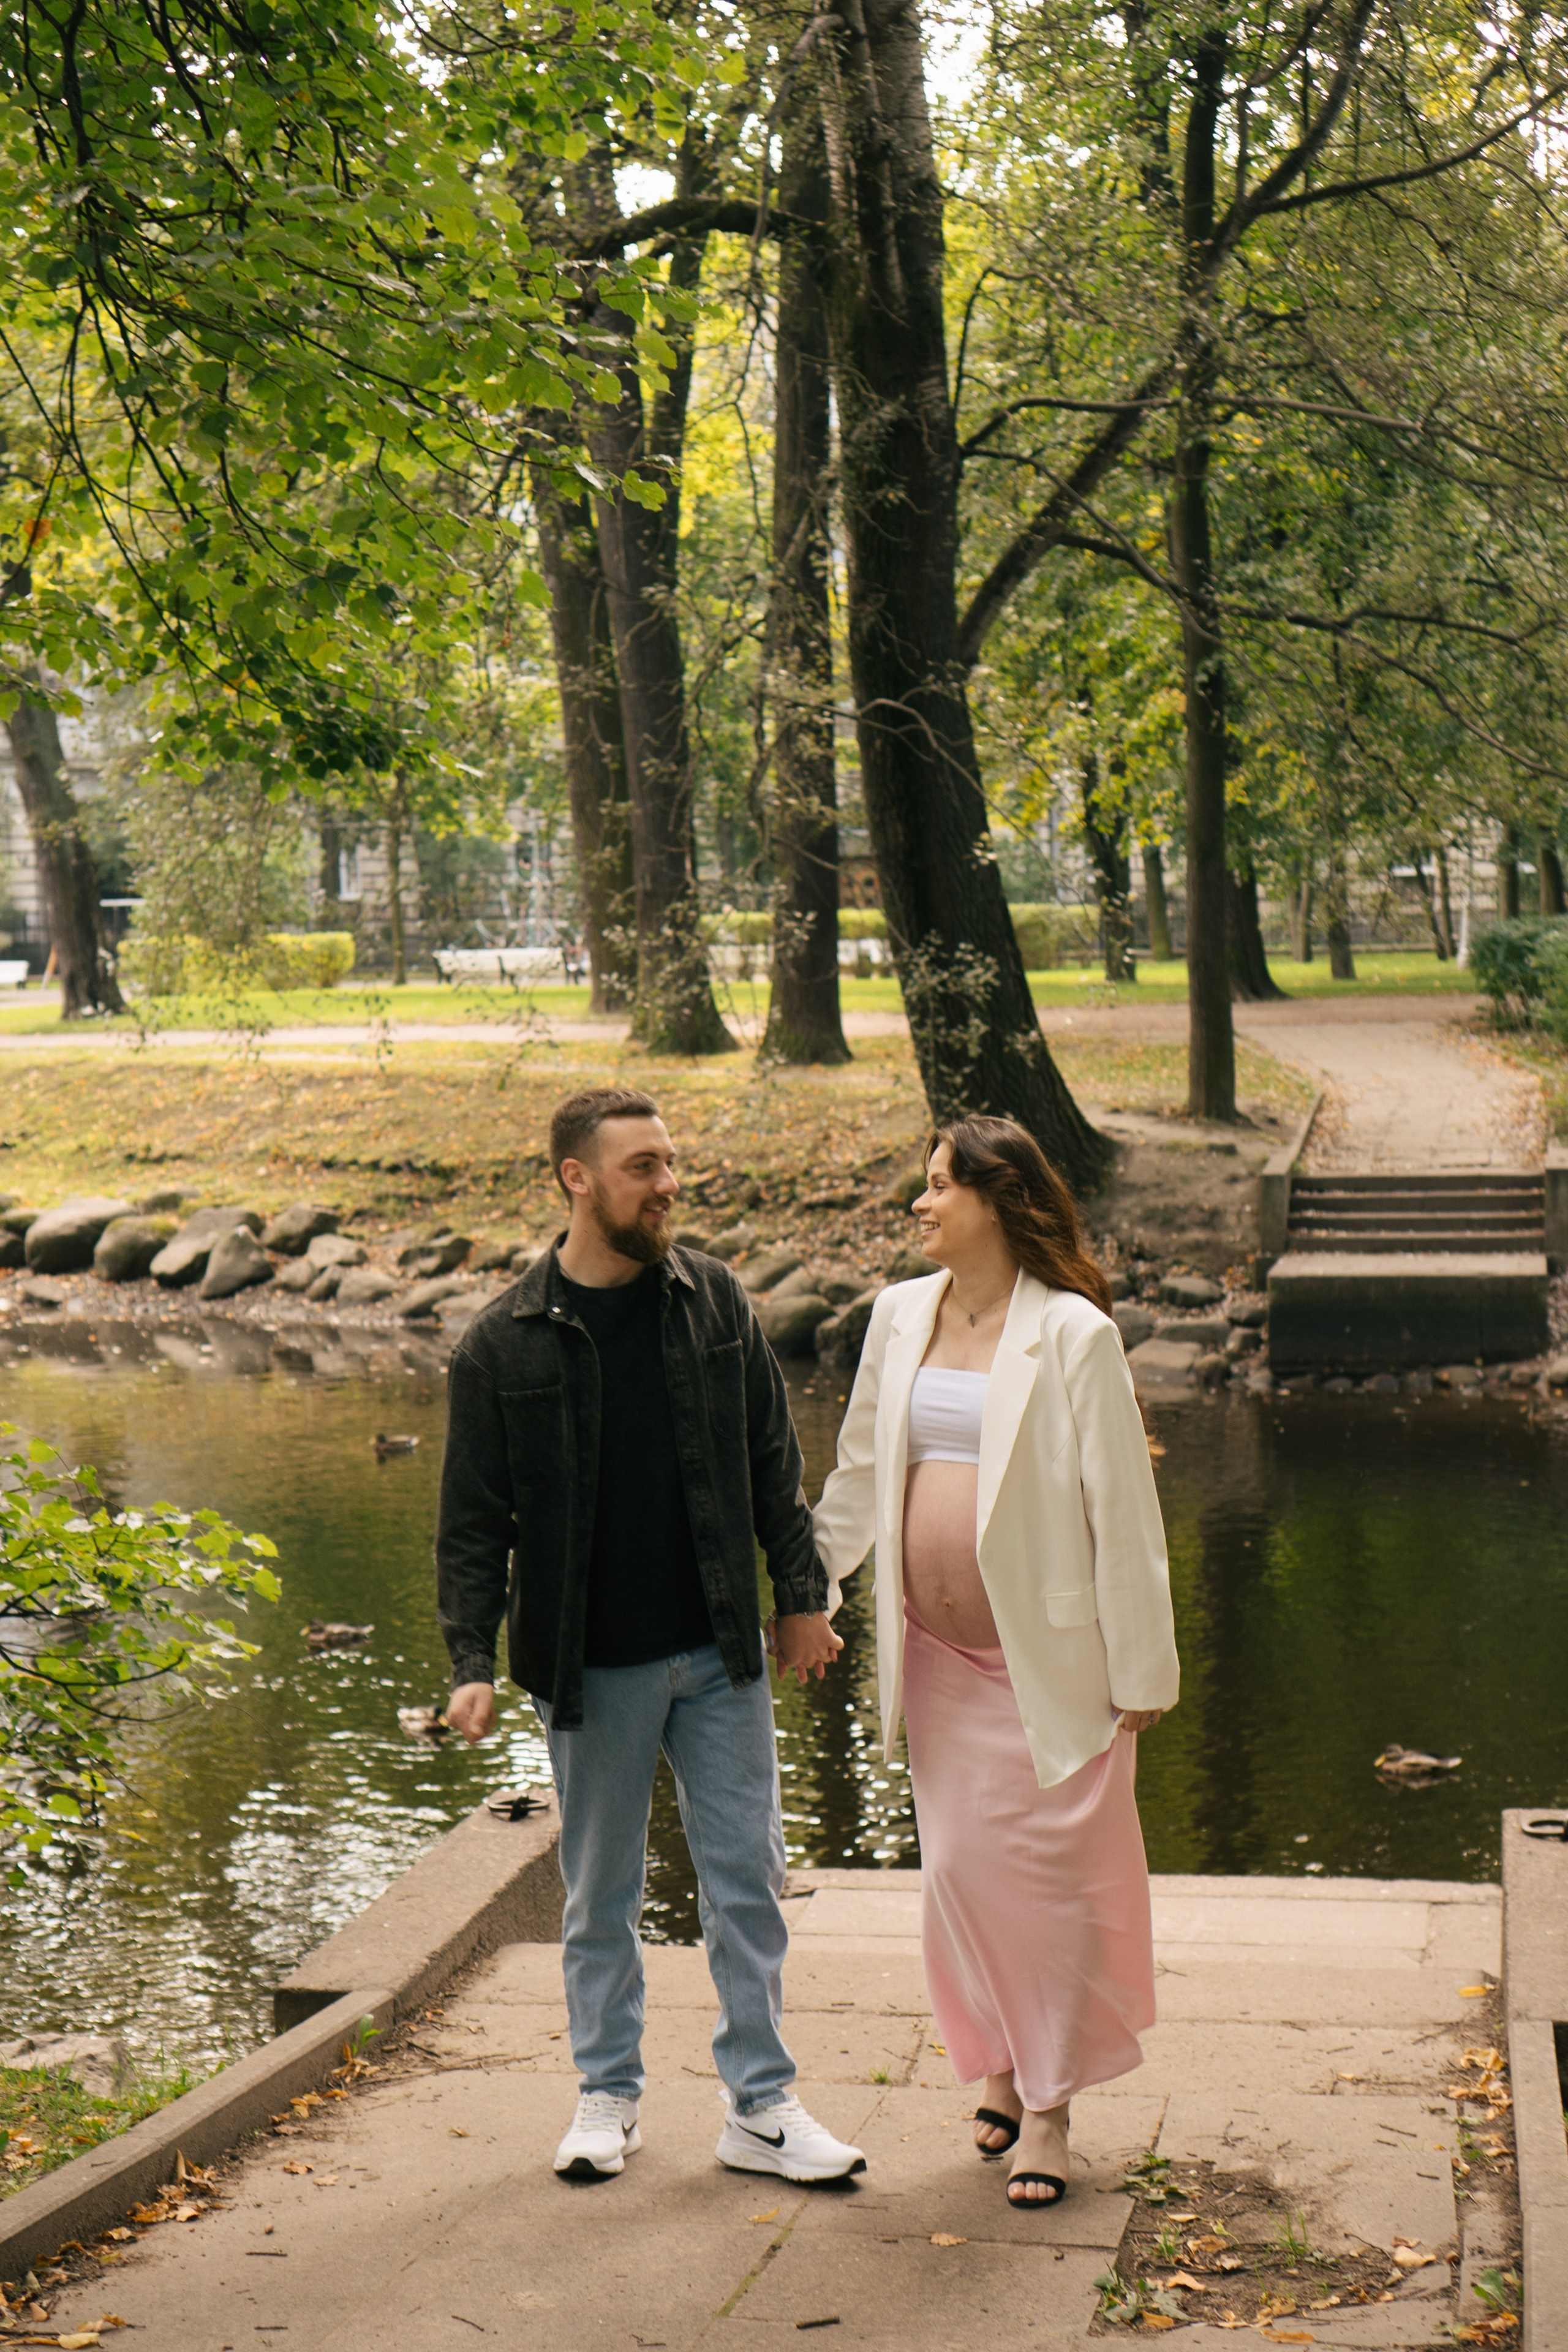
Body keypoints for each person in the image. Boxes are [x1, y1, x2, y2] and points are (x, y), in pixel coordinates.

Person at [437, 1085, 866, 2188]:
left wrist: (802, 1596)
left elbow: (774, 1460)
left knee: (747, 1883)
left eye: (671, 1162)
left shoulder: (713, 1300)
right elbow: (474, 1521)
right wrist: (471, 1664)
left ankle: (761, 2107)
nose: (668, 1183)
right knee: (599, 1896)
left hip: (721, 1651)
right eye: (643, 1167)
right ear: (576, 1179)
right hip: (590, 1669)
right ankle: (608, 2095)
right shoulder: (503, 1344)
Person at [812, 1114, 1178, 2210]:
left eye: (937, 1187)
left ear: (997, 1199)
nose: (920, 1205)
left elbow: (1126, 1509)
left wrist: (1142, 1670)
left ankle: (1052, 2108)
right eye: (922, 1187)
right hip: (933, 1659)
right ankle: (1004, 2068)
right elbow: (862, 1468)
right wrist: (803, 1589)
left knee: (1056, 1890)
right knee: (965, 1877)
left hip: (1047, 1666)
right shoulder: (897, 1316)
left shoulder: (1072, 1334)